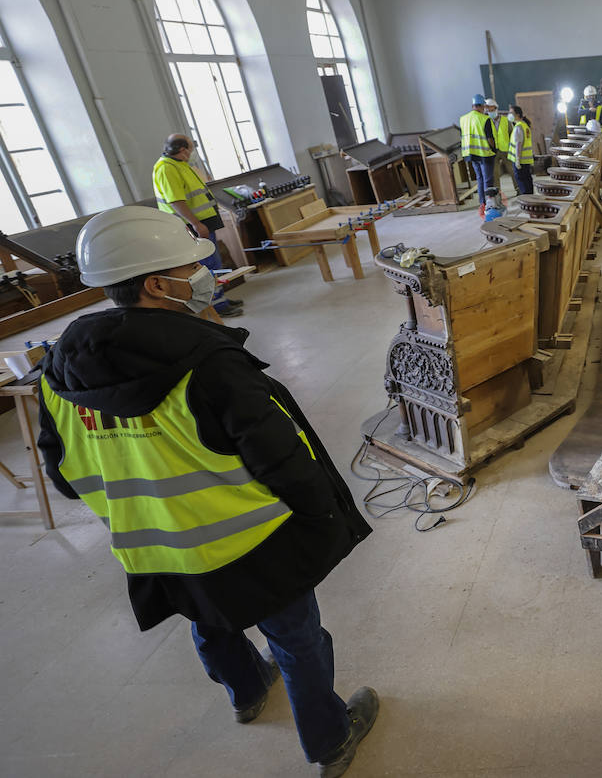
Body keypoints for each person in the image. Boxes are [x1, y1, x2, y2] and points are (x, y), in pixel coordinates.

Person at [36, 205, 377, 778]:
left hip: (158, 547)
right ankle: (330, 738)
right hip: (254, 543)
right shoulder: (211, 363)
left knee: (209, 618)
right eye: (190, 266)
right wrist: (320, 512)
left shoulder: (57, 374)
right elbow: (282, 460)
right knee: (296, 640)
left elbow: (65, 479)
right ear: (155, 284)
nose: (205, 274)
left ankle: (245, 693)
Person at [152, 134, 242, 318]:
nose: (191, 153)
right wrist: (196, 223)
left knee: (213, 264)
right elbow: (176, 200)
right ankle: (216, 306)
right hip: (192, 226)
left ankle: (220, 299)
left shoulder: (179, 165)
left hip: (203, 223)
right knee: (206, 266)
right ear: (183, 150)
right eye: (191, 149)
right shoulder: (167, 169)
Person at [461, 93, 499, 220]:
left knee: (479, 178)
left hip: (471, 154)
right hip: (484, 154)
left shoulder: (464, 119)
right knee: (488, 179)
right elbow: (490, 139)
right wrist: (494, 149)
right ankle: (489, 205)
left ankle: (482, 203)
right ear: (483, 106)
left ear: (472, 105)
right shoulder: (484, 119)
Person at [507, 105, 535, 196]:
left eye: (511, 113)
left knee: (523, 182)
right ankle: (531, 198)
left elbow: (519, 144)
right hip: (526, 160)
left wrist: (517, 160)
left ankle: (526, 201)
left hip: (520, 161)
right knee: (527, 180)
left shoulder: (518, 127)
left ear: (517, 115)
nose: (509, 115)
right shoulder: (524, 125)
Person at [487, 99, 513, 190]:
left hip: (506, 149)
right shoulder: (487, 122)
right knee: (495, 174)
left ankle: (518, 189)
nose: (490, 112)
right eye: (489, 110)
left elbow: (512, 134)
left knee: (512, 170)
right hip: (493, 151)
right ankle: (497, 193)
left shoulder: (506, 120)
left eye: (492, 110)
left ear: (496, 108)